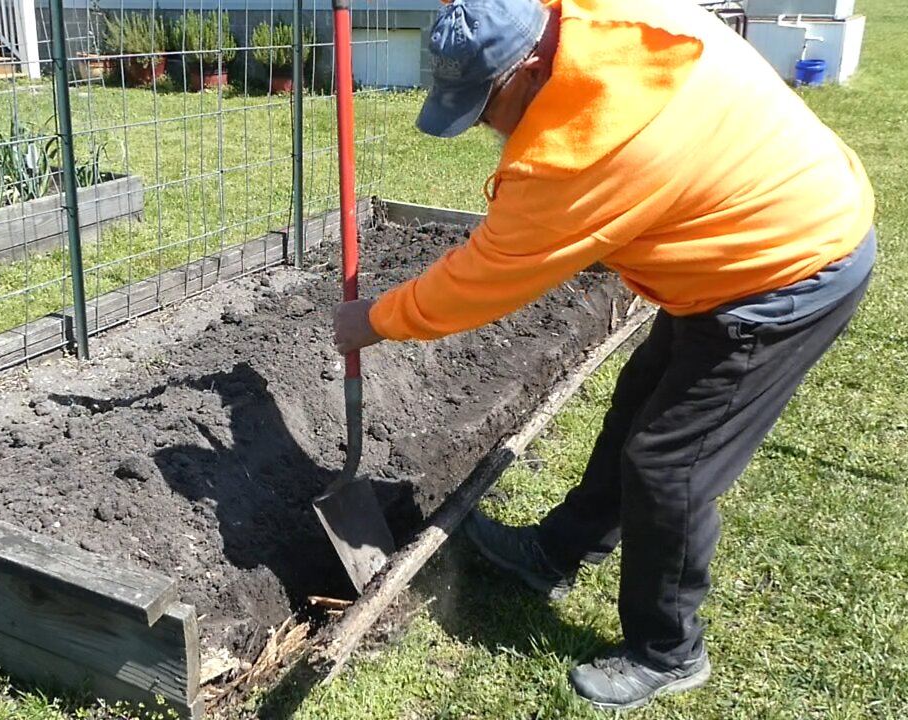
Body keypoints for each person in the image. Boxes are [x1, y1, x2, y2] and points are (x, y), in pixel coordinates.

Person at [332, 0, 876, 710]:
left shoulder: (587, 149)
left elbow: (479, 282)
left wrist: (372, 320)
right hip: (734, 242)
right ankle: (556, 552)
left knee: (669, 466)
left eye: (486, 105)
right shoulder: (601, 18)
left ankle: (667, 650)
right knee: (638, 404)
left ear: (528, 69)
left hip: (784, 272)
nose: (485, 127)